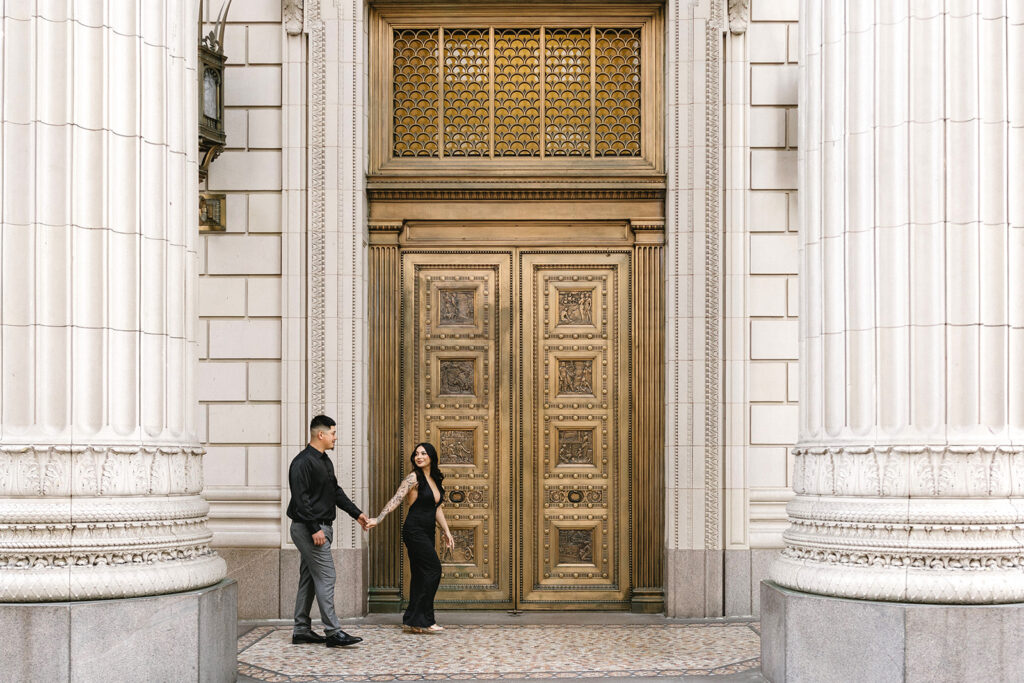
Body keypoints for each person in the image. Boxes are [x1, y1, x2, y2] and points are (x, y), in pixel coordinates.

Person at [287, 415, 369, 647]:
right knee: (327, 576)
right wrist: (315, 529)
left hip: (318, 527)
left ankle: (301, 629)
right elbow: (301, 500)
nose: (336, 437)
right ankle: (333, 632)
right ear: (320, 435)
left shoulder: (324, 461)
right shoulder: (302, 462)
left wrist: (358, 514)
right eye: (333, 433)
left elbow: (335, 492)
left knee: (310, 578)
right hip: (309, 528)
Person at [367, 442, 455, 633]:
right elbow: (396, 499)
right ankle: (426, 619)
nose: (419, 456)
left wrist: (446, 531)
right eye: (416, 454)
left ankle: (414, 620)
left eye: (423, 453)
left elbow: (437, 508)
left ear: (431, 456)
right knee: (433, 569)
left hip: (428, 530)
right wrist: (379, 518)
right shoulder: (413, 478)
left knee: (420, 575)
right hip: (414, 530)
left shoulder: (435, 479)